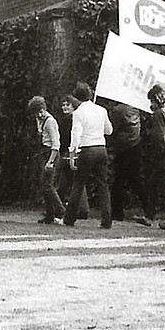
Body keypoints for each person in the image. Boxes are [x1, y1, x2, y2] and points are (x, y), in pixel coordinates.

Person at [62, 82, 112, 229]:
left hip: (87, 149)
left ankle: (69, 219)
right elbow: (109, 130)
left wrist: (72, 155)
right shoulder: (101, 110)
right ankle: (107, 220)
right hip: (101, 148)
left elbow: (75, 135)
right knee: (103, 185)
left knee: (78, 184)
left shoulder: (78, 113)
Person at [107, 101, 152, 225]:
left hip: (123, 148)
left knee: (119, 181)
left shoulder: (118, 110)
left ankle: (117, 212)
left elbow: (112, 129)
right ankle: (148, 208)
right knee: (136, 180)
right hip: (135, 146)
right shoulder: (135, 108)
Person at [142, 84, 165, 229]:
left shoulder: (158, 114)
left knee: (163, 187)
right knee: (155, 184)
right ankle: (149, 215)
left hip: (161, 156)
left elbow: (159, 137)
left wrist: (154, 153)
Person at [27, 95, 64, 224]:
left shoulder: (50, 121)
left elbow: (56, 144)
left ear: (44, 108)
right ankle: (49, 214)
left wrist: (51, 161)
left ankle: (60, 210)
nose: (39, 115)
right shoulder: (39, 119)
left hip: (51, 153)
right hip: (43, 151)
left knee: (48, 185)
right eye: (37, 113)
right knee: (44, 185)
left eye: (40, 111)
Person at [55, 97, 88, 220]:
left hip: (71, 153)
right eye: (63, 105)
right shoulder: (78, 118)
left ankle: (81, 209)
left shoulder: (68, 120)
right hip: (78, 152)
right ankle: (59, 206)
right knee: (69, 180)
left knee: (70, 179)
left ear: (73, 106)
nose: (64, 107)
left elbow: (65, 138)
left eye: (67, 105)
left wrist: (66, 152)